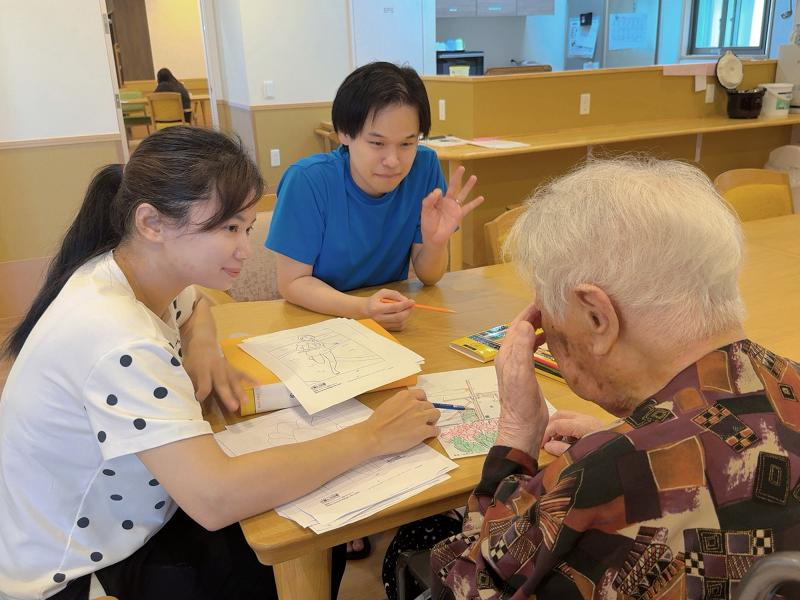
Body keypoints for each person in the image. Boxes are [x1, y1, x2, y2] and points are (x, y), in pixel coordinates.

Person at [0, 127, 442, 600]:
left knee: (299, 519)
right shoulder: (117, 336)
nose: (245, 249)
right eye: (228, 228)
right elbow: (213, 498)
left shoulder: (128, 270)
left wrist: (203, 345)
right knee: (293, 535)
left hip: (132, 521)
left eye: (247, 228)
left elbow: (197, 306)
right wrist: (371, 437)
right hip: (78, 569)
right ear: (151, 222)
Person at [430, 157, 800, 599]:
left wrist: (516, 437)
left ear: (596, 316)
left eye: (547, 311)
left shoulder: (599, 482)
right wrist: (635, 433)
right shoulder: (789, 384)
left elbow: (459, 584)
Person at [266, 62, 483, 333]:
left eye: (407, 143)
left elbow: (429, 277)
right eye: (377, 143)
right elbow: (293, 283)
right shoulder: (308, 181)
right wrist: (362, 310)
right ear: (344, 133)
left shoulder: (424, 167)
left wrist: (435, 243)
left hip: (390, 323)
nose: (393, 161)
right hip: (318, 322)